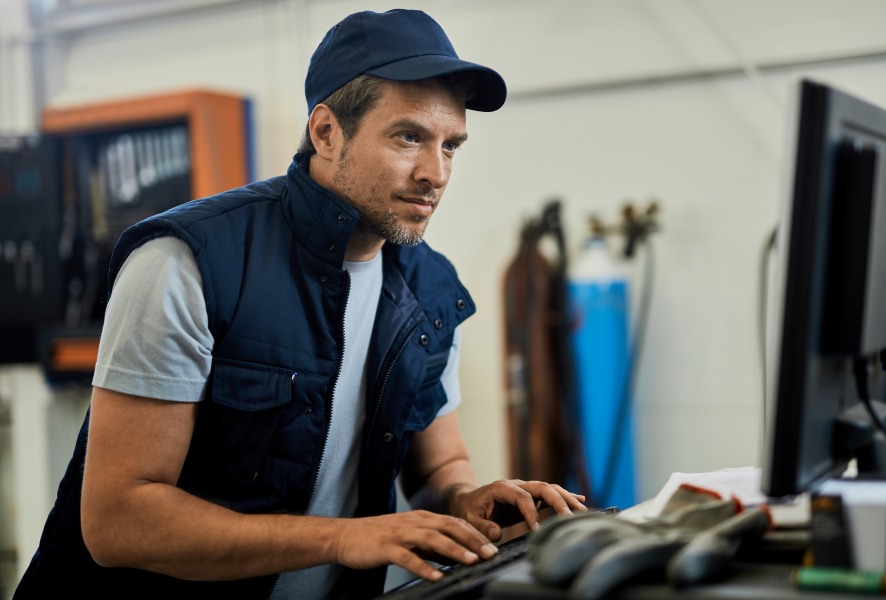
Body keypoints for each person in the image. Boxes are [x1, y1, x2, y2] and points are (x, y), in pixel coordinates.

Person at [14, 9, 586, 599]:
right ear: (326, 132)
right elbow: (118, 522)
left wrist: (468, 500)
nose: (434, 173)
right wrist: (341, 538)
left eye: (451, 146)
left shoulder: (432, 289)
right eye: (409, 136)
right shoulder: (186, 264)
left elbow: (439, 469)